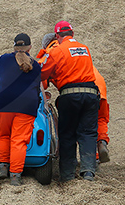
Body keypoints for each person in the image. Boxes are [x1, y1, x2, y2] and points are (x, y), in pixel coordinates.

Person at [39, 21, 99, 182]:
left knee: (67, 135)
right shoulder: (84, 49)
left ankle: (67, 175)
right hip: (92, 95)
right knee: (88, 133)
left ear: (57, 36)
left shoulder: (57, 51)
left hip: (70, 95)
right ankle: (88, 172)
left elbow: (42, 74)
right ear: (72, 33)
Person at [38, 33, 111, 164]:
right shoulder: (75, 50)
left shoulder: (51, 53)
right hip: (97, 87)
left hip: (75, 91)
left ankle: (74, 163)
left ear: (45, 45)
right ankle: (101, 143)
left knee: (75, 126)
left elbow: (40, 79)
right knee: (97, 120)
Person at [0, 33, 42, 186]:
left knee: (3, 136)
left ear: (14, 46)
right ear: (30, 47)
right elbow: (38, 86)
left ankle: (2, 168)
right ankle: (15, 176)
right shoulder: (36, 65)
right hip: (27, 106)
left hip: (4, 103)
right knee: (19, 141)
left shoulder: (4, 59)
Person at [93, 67, 110, 163]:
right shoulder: (85, 60)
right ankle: (102, 142)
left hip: (85, 92)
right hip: (100, 92)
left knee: (83, 124)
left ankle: (94, 156)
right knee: (101, 119)